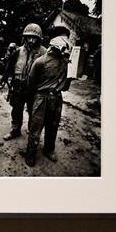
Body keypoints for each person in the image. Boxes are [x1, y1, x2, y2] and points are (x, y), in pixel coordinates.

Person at [24, 36, 72, 167]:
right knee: (36, 127)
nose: (64, 52)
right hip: (41, 97)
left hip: (56, 98)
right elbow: (30, 83)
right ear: (54, 47)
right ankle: (30, 154)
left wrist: (70, 73)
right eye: (62, 49)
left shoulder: (65, 63)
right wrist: (33, 100)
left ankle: (49, 150)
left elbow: (66, 87)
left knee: (53, 126)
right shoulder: (40, 62)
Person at [0, 23, 46, 141]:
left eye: (34, 37)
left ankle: (32, 131)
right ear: (24, 37)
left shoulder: (44, 52)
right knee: (16, 110)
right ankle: (15, 129)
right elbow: (8, 66)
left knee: (33, 111)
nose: (30, 40)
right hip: (18, 86)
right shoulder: (18, 50)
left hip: (34, 88)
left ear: (39, 38)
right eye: (28, 37)